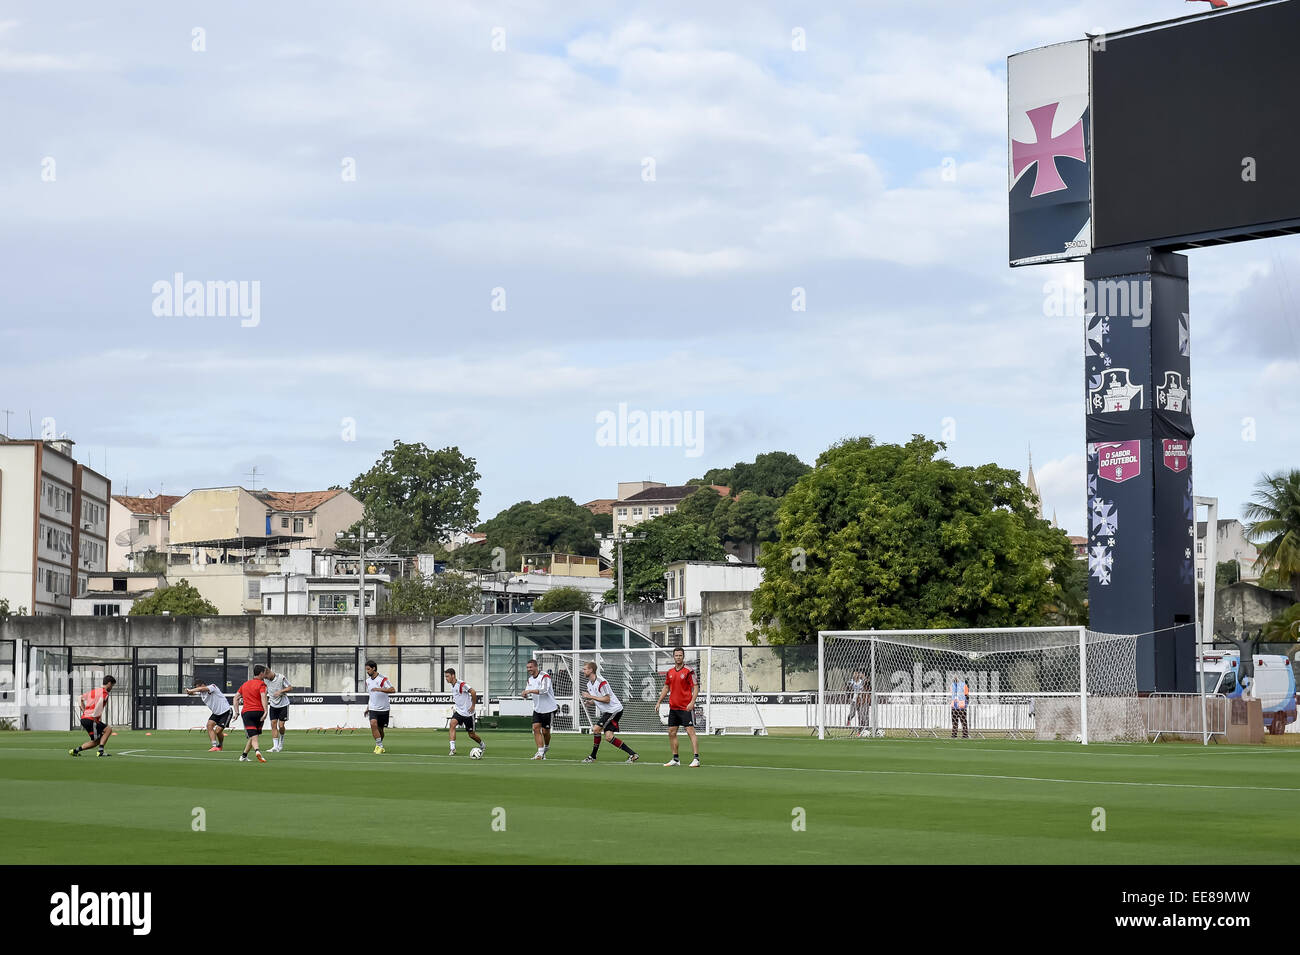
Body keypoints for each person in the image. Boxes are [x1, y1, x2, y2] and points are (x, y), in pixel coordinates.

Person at [580, 661, 638, 763]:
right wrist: (591, 702)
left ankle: (592, 756)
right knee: (608, 737)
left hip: (614, 710)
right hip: (609, 711)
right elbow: (598, 698)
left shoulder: (601, 682)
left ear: (591, 670)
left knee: (596, 729)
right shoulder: (589, 684)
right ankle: (633, 754)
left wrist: (590, 696)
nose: (583, 671)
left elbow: (607, 699)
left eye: (585, 669)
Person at [655, 647, 700, 767]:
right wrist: (659, 701)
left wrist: (692, 702)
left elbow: (695, 687)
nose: (678, 657)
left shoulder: (688, 671)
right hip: (673, 708)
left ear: (683, 657)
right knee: (671, 732)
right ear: (673, 657)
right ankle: (675, 759)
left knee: (690, 731)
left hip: (686, 707)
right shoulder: (670, 672)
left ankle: (696, 758)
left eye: (680, 655)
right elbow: (666, 687)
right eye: (676, 655)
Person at [69, 675, 116, 757]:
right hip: (91, 719)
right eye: (112, 685)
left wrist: (84, 711)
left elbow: (79, 698)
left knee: (98, 740)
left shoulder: (94, 691)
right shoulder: (105, 693)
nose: (112, 687)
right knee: (106, 732)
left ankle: (75, 751)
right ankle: (100, 752)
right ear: (109, 683)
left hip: (85, 719)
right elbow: (100, 703)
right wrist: (95, 715)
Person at [443, 668, 485, 756]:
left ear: (453, 676)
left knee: (471, 735)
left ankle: (482, 744)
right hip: (459, 712)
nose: (446, 678)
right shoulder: (452, 685)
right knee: (452, 724)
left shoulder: (461, 684)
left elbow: (473, 692)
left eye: (447, 676)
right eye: (445, 676)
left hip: (468, 713)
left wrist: (473, 706)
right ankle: (452, 749)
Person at [521, 659, 557, 760]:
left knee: (545, 732)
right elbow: (528, 692)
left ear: (536, 667)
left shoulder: (545, 676)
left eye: (531, 667)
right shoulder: (530, 680)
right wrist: (525, 695)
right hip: (537, 709)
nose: (529, 669)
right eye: (527, 668)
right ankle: (540, 753)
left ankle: (546, 746)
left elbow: (544, 690)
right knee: (535, 728)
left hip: (548, 709)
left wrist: (529, 691)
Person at [232, 665, 269, 762]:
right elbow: (263, 696)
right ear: (261, 673)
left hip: (247, 713)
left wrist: (236, 712)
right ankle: (257, 751)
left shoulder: (245, 684)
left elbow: (235, 698)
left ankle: (244, 756)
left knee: (253, 734)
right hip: (259, 712)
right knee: (254, 734)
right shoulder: (262, 684)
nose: (265, 674)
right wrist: (266, 711)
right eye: (265, 672)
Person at [185, 680, 233, 751]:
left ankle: (220, 745)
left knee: (218, 731)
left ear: (203, 685)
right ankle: (214, 746)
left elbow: (200, 689)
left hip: (226, 712)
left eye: (198, 687)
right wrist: (189, 692)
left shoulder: (212, 687)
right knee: (209, 725)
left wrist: (191, 690)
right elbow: (195, 692)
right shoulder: (201, 693)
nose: (199, 690)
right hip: (216, 713)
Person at [364, 660, 394, 754]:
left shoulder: (383, 679)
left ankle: (379, 745)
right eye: (366, 669)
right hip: (373, 708)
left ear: (374, 668)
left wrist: (379, 689)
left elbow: (392, 690)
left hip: (384, 708)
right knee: (373, 724)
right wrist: (368, 707)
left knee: (380, 729)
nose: (367, 671)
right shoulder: (367, 681)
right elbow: (371, 695)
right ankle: (380, 746)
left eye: (368, 669)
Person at [263, 668, 292, 753]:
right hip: (273, 705)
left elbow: (290, 687)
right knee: (273, 724)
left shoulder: (281, 678)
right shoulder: (265, 680)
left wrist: (281, 691)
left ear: (269, 673)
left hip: (283, 704)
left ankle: (281, 742)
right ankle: (275, 746)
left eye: (266, 677)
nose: (266, 679)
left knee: (281, 726)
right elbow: (264, 692)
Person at [847, 670, 871, 737]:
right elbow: (848, 689)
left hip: (862, 701)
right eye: (855, 673)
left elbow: (868, 686)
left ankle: (863, 730)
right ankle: (849, 719)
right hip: (855, 700)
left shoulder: (864, 682)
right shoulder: (851, 682)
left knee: (862, 716)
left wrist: (865, 679)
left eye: (858, 674)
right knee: (853, 714)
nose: (857, 675)